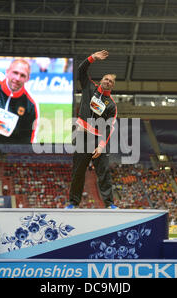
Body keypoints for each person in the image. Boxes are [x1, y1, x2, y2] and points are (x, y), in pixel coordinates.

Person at [66, 50, 118, 209]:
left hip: (98, 141)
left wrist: (101, 145)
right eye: (106, 79)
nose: (108, 81)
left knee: (104, 173)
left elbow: (108, 128)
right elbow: (81, 70)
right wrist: (92, 58)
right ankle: (73, 203)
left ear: (112, 86)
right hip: (82, 137)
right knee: (78, 172)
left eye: (110, 81)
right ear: (101, 80)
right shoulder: (89, 87)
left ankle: (110, 204)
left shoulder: (112, 105)